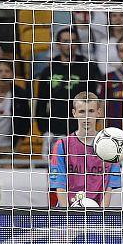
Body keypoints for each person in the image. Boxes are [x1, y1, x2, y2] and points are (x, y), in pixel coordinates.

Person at [35, 27, 104, 158]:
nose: (70, 45)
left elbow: (94, 100)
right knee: (54, 168)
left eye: (73, 41)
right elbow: (41, 102)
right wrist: (44, 129)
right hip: (54, 132)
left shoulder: (88, 69)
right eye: (66, 41)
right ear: (58, 44)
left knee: (81, 167)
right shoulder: (49, 70)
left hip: (81, 132)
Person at [49, 91, 121, 207]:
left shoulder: (110, 146)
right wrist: (68, 215)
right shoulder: (62, 145)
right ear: (74, 113)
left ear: (99, 112)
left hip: (97, 212)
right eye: (82, 111)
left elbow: (108, 189)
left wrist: (100, 214)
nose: (86, 117)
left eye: (91, 111)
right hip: (68, 211)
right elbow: (60, 187)